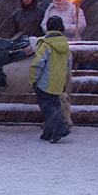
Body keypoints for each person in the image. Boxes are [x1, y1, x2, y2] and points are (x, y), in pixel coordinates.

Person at [30, 15, 72, 143]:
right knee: (54, 105)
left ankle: (58, 130)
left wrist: (33, 78)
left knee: (48, 109)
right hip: (58, 81)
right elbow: (68, 64)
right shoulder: (65, 46)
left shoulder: (45, 44)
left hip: (44, 82)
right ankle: (48, 133)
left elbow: (38, 63)